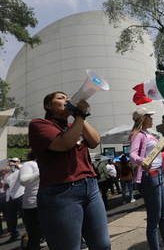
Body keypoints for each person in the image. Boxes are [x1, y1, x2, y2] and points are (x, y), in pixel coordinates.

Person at [28, 91, 110, 250]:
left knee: (102, 245)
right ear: (48, 106)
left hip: (90, 188)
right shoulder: (40, 124)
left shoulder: (75, 125)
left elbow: (94, 141)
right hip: (61, 193)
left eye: (68, 98)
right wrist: (79, 115)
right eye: (61, 98)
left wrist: (80, 116)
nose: (67, 100)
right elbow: (64, 144)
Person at [129, 107, 164, 250]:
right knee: (154, 216)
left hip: (158, 175)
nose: (152, 118)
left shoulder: (148, 133)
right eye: (150, 116)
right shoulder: (137, 134)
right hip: (149, 177)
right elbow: (132, 154)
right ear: (143, 119)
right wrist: (142, 161)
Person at [19, 151, 44, 250]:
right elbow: (23, 180)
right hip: (33, 205)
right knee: (35, 237)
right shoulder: (29, 164)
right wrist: (44, 169)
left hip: (49, 202)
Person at [3, 157, 25, 244]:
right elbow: (4, 188)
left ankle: (30, 233)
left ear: (18, 162)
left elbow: (22, 167)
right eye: (10, 162)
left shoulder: (21, 170)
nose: (11, 163)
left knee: (25, 216)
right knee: (11, 218)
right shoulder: (7, 175)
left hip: (20, 195)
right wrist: (5, 186)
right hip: (10, 197)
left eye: (13, 162)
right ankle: (14, 234)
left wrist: (17, 164)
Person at [0, 167, 10, 238]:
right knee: (7, 215)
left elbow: (6, 187)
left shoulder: (7, 178)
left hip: (4, 197)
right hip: (4, 198)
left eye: (1, 171)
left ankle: (10, 230)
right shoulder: (4, 177)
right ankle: (10, 230)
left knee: (7, 215)